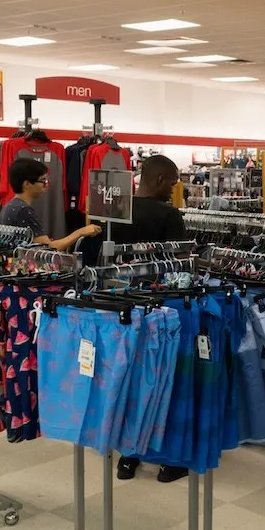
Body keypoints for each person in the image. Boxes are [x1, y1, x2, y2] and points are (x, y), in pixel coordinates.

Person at [110, 155, 190, 483]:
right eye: (172, 183)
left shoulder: (116, 210)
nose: (174, 189)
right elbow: (182, 266)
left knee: (132, 377)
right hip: (161, 308)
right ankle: (168, 458)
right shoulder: (170, 216)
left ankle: (128, 455)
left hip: (123, 307)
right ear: (158, 180)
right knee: (164, 378)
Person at [0, 157, 100, 249]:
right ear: (27, 184)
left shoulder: (11, 206)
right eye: (43, 181)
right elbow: (48, 248)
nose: (46, 185)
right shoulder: (23, 211)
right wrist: (81, 232)